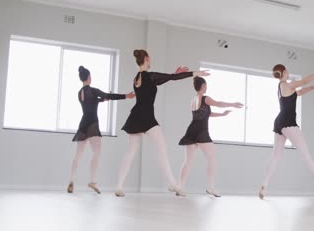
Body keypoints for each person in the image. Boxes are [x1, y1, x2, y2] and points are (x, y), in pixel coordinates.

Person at [115, 49, 209, 197]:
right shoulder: (150, 76)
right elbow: (169, 78)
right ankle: (173, 185)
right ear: (146, 59)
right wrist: (195, 73)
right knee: (162, 150)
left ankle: (119, 187)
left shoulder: (136, 78)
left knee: (131, 152)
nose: (150, 60)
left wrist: (174, 74)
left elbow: (167, 78)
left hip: (135, 117)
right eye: (149, 58)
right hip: (147, 119)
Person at [258, 64, 314, 199]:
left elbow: (299, 92)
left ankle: (264, 185)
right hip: (289, 123)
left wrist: (312, 88)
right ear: (284, 72)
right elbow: (303, 81)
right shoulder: (287, 84)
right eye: (287, 71)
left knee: (275, 156)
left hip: (280, 122)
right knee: (305, 154)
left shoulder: (282, 88)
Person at [67, 66, 135, 194]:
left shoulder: (80, 93)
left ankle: (71, 181)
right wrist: (126, 96)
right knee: (96, 153)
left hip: (83, 125)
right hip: (92, 125)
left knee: (78, 155)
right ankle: (92, 180)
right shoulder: (93, 90)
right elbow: (108, 95)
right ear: (89, 78)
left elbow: (92, 102)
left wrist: (102, 100)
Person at [176, 77, 243, 197]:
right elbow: (218, 103)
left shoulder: (193, 100)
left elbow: (206, 114)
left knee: (188, 161)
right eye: (206, 85)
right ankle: (210, 187)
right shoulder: (205, 98)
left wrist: (222, 115)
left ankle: (180, 187)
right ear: (202, 86)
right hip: (201, 132)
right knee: (212, 158)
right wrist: (232, 104)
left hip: (192, 131)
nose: (207, 87)